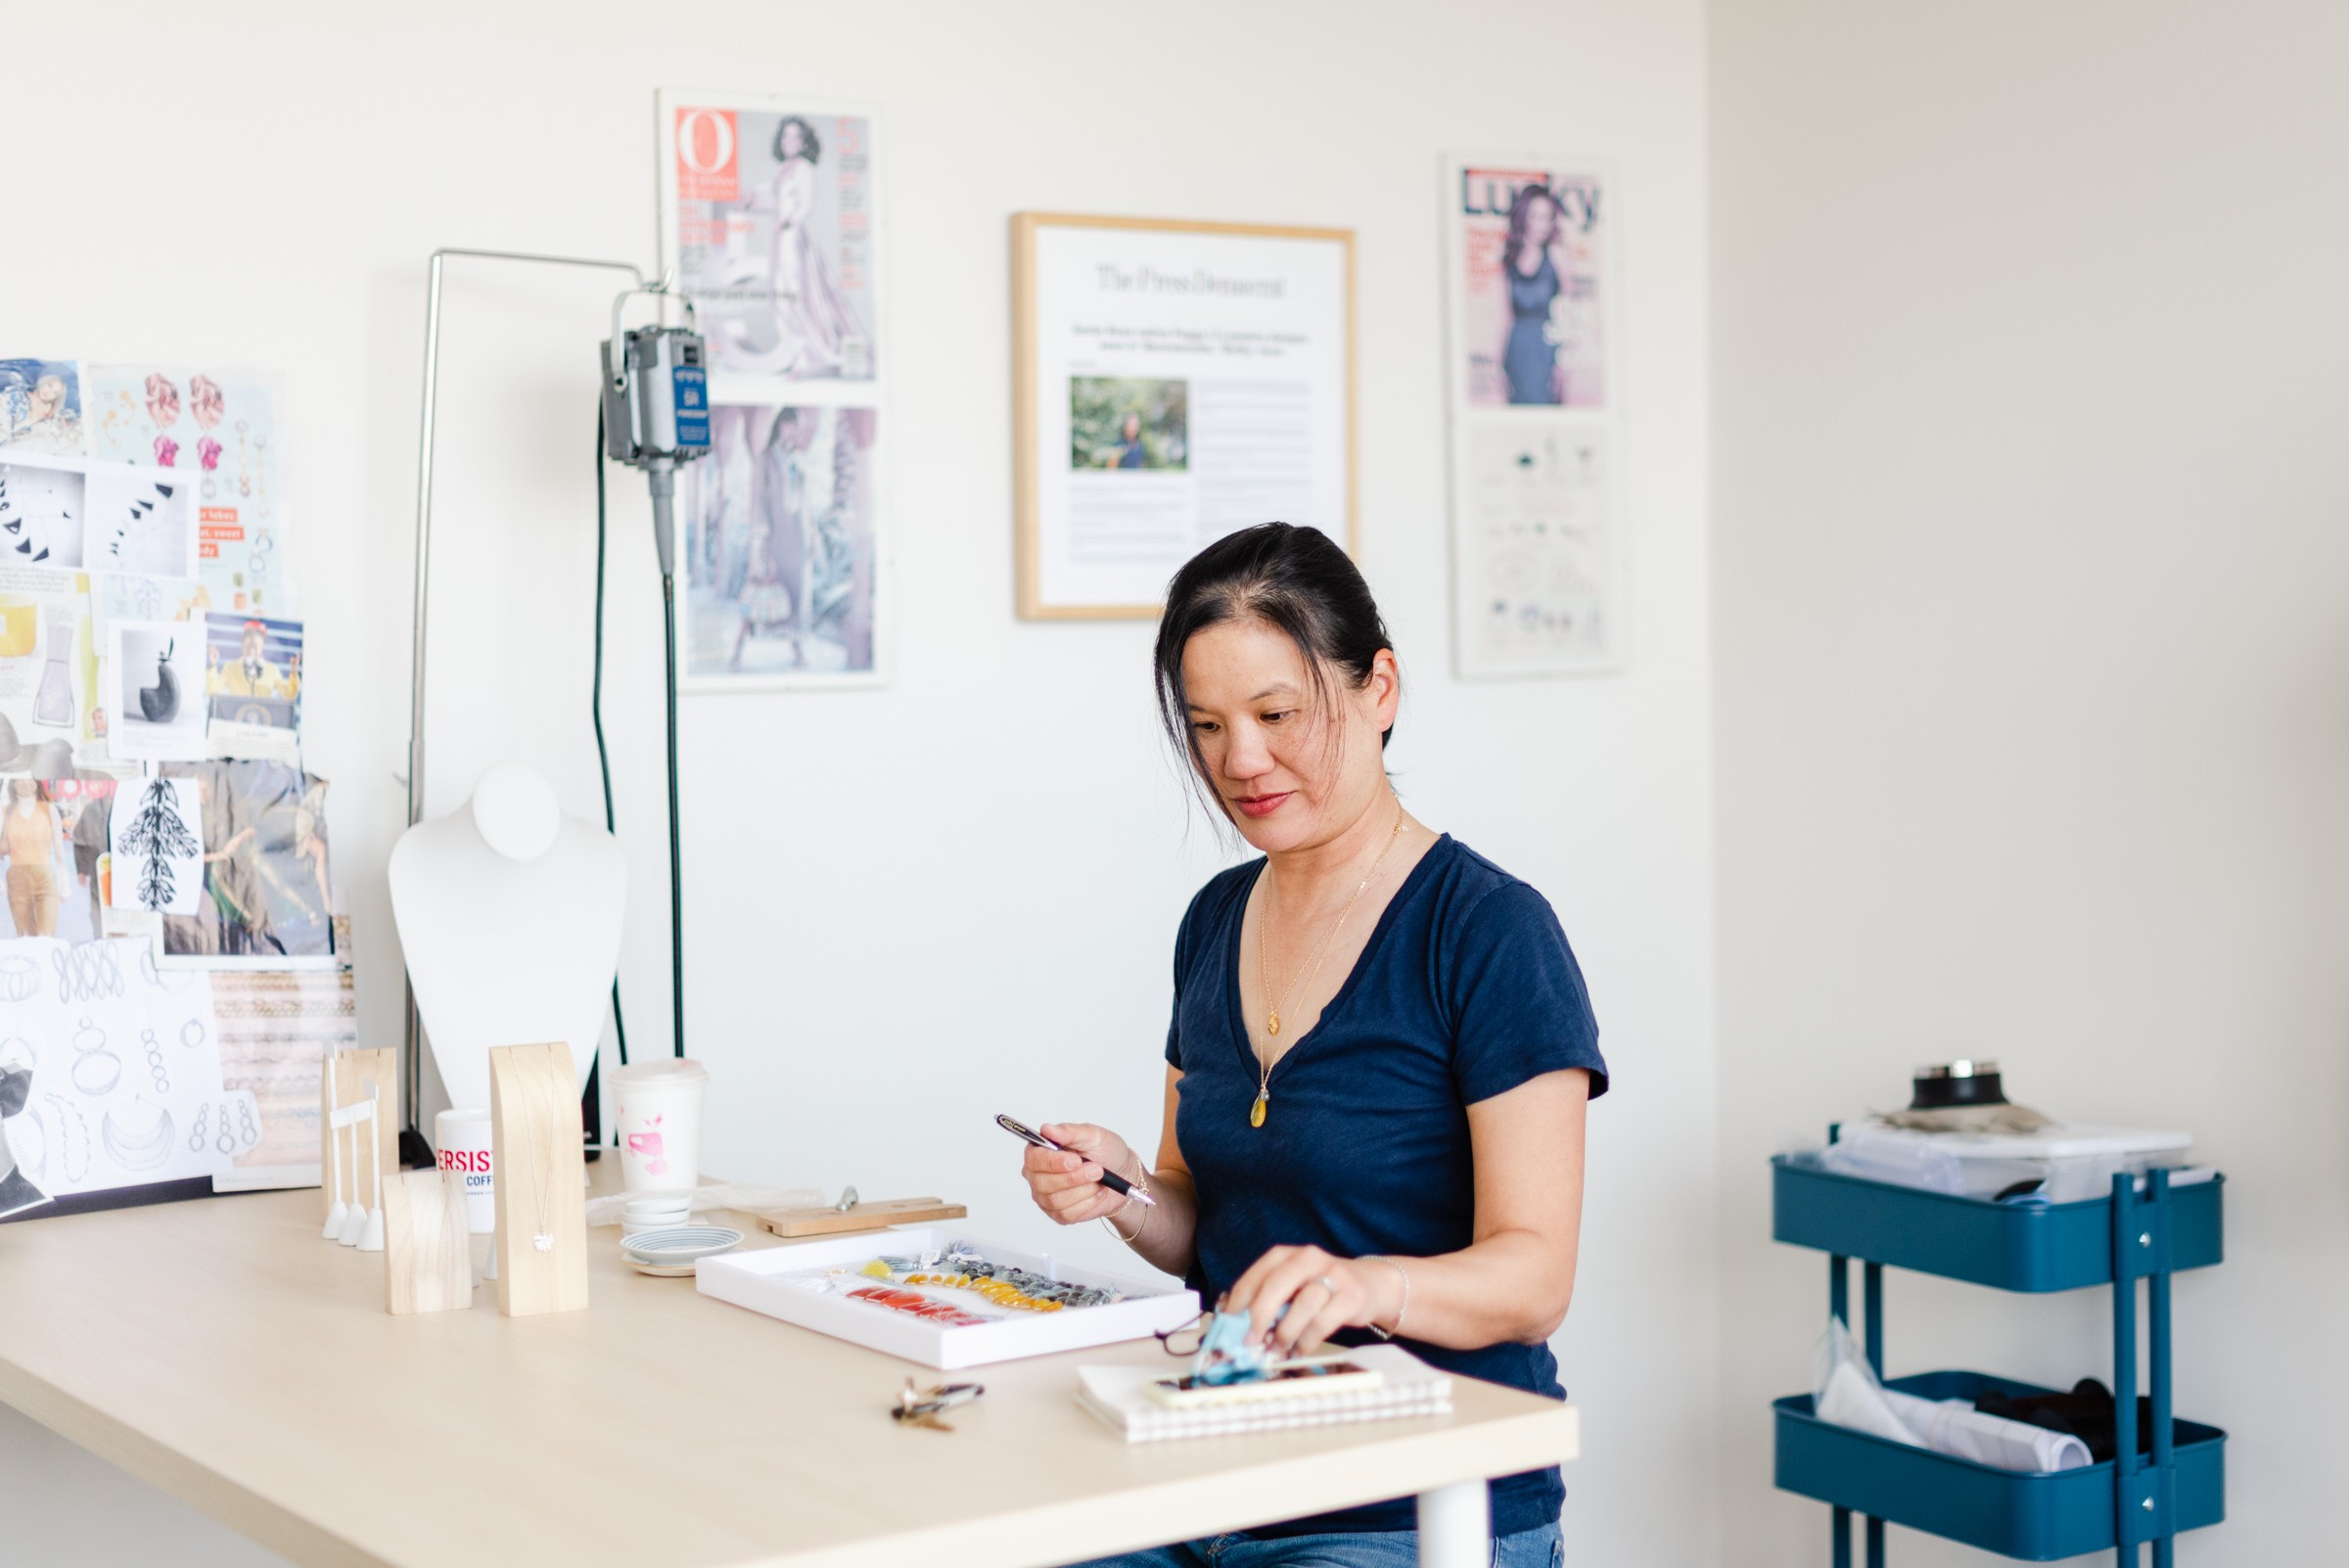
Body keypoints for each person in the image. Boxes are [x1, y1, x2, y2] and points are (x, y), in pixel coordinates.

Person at [1026, 523, 1606, 1567]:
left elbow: (1534, 1281)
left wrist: (1370, 1286)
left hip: (1412, 1502)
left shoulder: (1488, 931)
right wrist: (1123, 1190)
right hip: (1217, 1472)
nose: (1240, 761)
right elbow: (1199, 1217)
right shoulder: (1215, 919)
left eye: (1277, 714)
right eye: (1208, 726)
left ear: (1379, 688)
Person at [1500, 184, 1566, 405]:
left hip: (1547, 351)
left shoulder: (1556, 255)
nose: (1543, 224)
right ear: (1524, 218)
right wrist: (1498, 365)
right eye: (1536, 216)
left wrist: (1562, 363)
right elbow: (1504, 318)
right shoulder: (1510, 259)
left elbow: (1569, 312)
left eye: (1547, 217)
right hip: (1517, 350)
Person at [0, 778, 66, 937]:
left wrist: (65, 883)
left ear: (37, 783)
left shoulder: (49, 810)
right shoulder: (6, 812)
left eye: (29, 779)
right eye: (20, 780)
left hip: (44, 876)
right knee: (25, 935)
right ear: (13, 784)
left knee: (46, 934)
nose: (25, 784)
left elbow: (59, 850)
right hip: (17, 878)